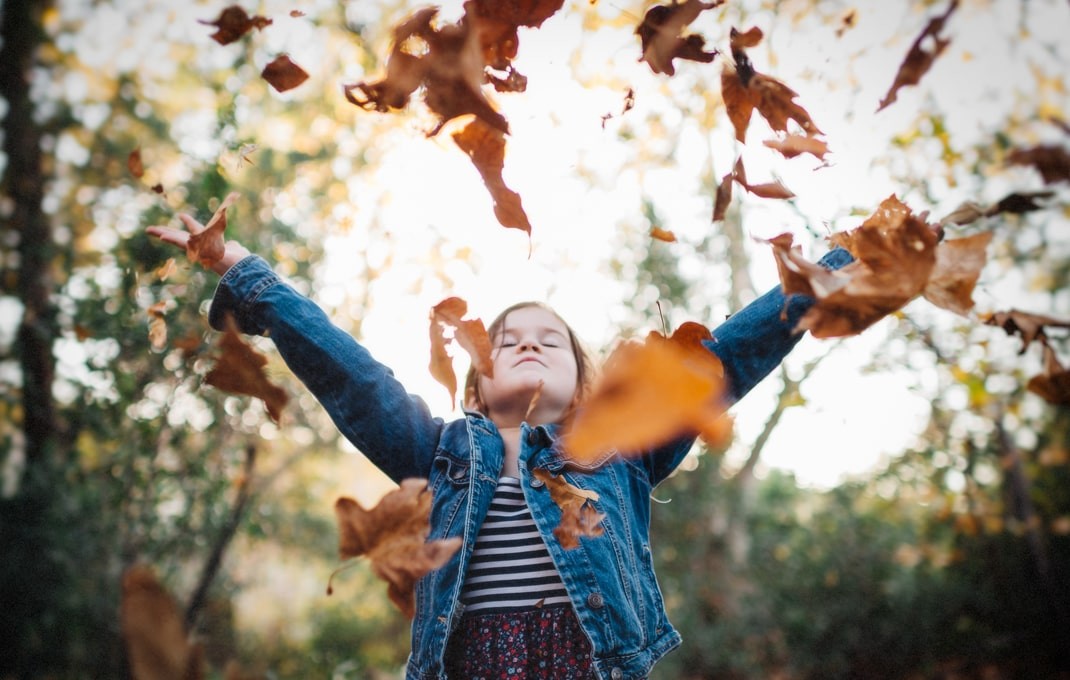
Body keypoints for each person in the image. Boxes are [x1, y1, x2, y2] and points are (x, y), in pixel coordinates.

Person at [148, 211, 853, 680]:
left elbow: (729, 357)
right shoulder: (445, 449)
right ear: (478, 388)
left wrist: (844, 264)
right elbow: (353, 377)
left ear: (584, 381)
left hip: (593, 663)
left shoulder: (621, 446)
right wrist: (244, 271)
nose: (527, 345)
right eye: (508, 341)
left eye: (549, 340)